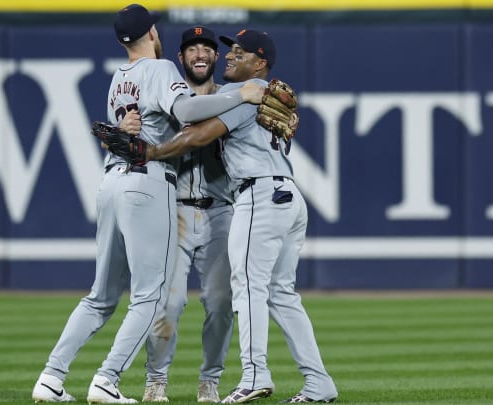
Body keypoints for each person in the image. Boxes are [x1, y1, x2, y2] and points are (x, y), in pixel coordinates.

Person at [31, 5, 264, 404]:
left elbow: (125, 133)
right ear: (153, 34)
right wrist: (243, 93)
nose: (201, 54)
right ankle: (108, 379)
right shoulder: (159, 71)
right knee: (152, 297)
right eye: (192, 47)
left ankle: (50, 377)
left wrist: (120, 132)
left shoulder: (118, 79)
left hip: (113, 184)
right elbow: (186, 111)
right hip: (150, 187)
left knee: (101, 296)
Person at [109, 29, 338, 404]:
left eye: (239, 52)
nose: (231, 56)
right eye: (230, 50)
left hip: (257, 195)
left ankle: (253, 376)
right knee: (281, 294)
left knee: (247, 288)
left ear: (259, 63)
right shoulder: (254, 93)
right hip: (285, 195)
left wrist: (147, 153)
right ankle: (318, 383)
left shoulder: (246, 94)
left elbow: (197, 137)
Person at [134, 26, 234, 404]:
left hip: (220, 210)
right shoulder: (166, 95)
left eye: (206, 48)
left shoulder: (229, 97)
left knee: (221, 304)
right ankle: (156, 380)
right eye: (192, 49)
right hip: (173, 211)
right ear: (181, 59)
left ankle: (210, 381)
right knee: (168, 303)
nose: (200, 54)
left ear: (216, 57)